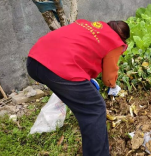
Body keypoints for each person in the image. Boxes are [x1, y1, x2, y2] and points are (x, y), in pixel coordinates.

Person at [27, 20, 130, 156]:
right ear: (122, 38)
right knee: (94, 109)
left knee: (84, 103)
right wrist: (113, 85)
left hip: (35, 60)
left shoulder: (86, 25)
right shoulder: (115, 42)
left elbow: (77, 51)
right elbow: (109, 77)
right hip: (59, 68)